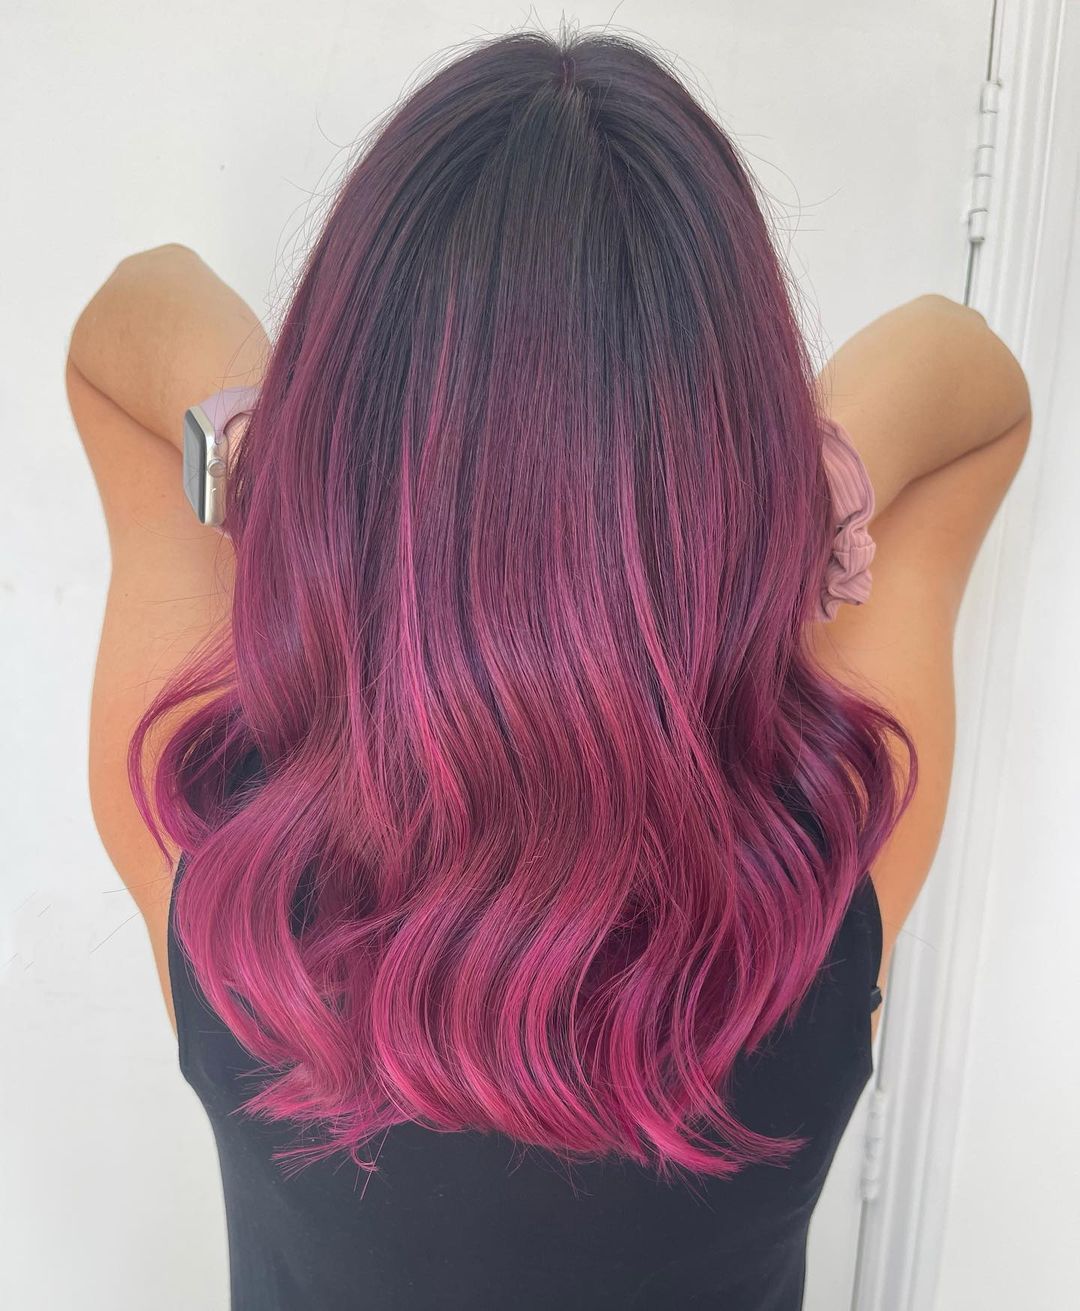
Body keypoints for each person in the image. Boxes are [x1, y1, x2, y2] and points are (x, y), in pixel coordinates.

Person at [65, 30, 1032, 1311]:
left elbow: (130, 315)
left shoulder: (225, 869)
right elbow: (974, 378)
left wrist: (267, 449)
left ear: (346, 443)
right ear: (731, 468)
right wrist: (816, 480)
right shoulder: (818, 871)